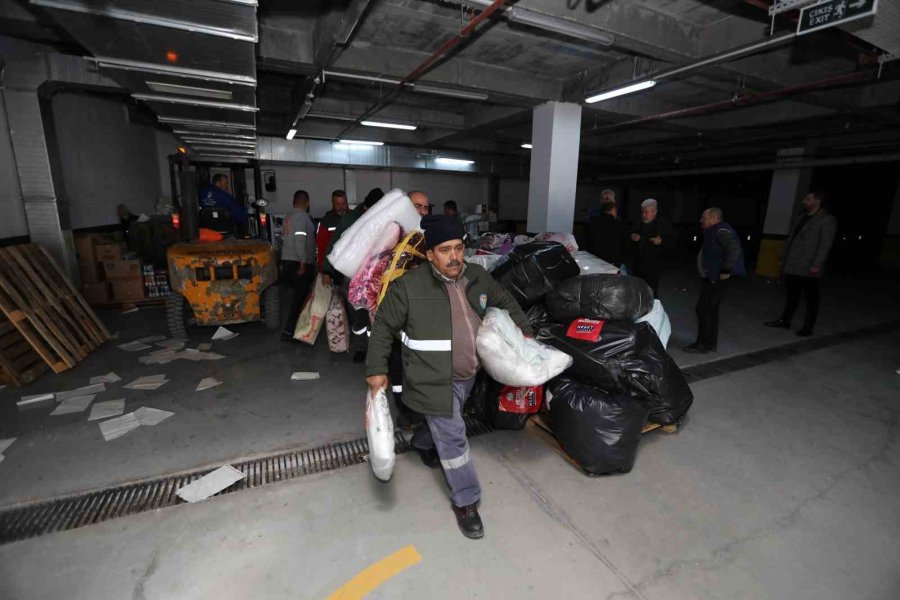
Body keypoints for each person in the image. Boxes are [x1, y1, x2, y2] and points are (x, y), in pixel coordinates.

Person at [366, 214, 532, 539]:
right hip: (431, 378)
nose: (454, 257)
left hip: (468, 374)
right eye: (445, 250)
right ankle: (466, 501)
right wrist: (376, 370)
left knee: (445, 422)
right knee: (454, 435)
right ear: (430, 254)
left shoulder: (477, 276)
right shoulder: (409, 287)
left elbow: (503, 300)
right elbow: (383, 326)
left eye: (458, 248)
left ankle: (421, 442)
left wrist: (524, 332)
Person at [323, 187, 385, 361]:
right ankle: (361, 348)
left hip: (376, 277)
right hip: (353, 277)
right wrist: (327, 271)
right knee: (358, 316)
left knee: (375, 315)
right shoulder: (350, 220)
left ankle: (374, 350)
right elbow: (333, 245)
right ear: (365, 207)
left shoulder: (384, 219)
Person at [764, 191, 837, 337]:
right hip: (793, 264)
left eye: (808, 199)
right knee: (792, 295)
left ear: (817, 201)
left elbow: (825, 245)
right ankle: (785, 321)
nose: (804, 201)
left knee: (811, 299)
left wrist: (816, 264)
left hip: (810, 266)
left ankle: (808, 328)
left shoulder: (827, 220)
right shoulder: (801, 217)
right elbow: (791, 239)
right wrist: (783, 258)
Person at [684, 208, 745, 354]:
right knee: (711, 310)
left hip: (717, 279)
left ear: (713, 218)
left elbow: (734, 250)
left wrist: (725, 271)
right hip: (712, 278)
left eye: (704, 218)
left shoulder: (721, 230)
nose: (701, 220)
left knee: (703, 309)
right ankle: (710, 343)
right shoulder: (714, 231)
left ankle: (702, 344)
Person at [280, 190, 317, 341]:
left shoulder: (288, 217)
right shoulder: (302, 217)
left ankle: (292, 330)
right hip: (299, 262)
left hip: (287, 261)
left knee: (294, 298)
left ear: (293, 202)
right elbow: (300, 240)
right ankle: (290, 332)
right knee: (299, 299)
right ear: (307, 203)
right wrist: (302, 263)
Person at [629, 198, 676, 297]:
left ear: (654, 212)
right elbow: (630, 235)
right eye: (642, 212)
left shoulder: (663, 224)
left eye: (646, 212)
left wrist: (662, 241)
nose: (644, 215)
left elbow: (673, 243)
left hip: (652, 266)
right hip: (638, 264)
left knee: (650, 292)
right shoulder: (639, 222)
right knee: (637, 291)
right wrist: (632, 236)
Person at [585, 197, 627, 267]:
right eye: (615, 210)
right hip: (612, 262)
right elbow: (624, 244)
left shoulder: (592, 223)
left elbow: (587, 242)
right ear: (612, 210)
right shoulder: (619, 224)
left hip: (595, 260)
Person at [316, 190, 349, 270]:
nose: (341, 207)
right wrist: (322, 268)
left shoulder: (354, 218)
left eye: (344, 203)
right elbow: (321, 247)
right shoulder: (326, 221)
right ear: (333, 204)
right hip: (332, 266)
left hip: (350, 264)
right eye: (338, 204)